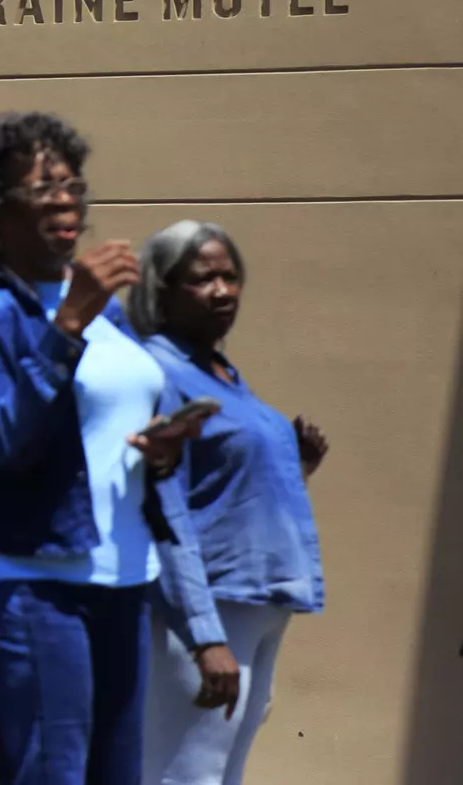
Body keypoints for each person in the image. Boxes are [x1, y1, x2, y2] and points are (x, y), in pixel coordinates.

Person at [0, 113, 213, 785]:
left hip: (122, 571)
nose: (63, 197)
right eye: (40, 186)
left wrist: (162, 448)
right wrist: (68, 321)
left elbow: (112, 430)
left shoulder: (113, 313)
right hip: (23, 573)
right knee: (50, 772)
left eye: (70, 182)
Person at [130, 221, 328, 785]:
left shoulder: (222, 376)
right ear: (159, 290)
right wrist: (203, 634)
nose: (222, 290)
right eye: (202, 278)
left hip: (259, 602)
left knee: (224, 773)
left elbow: (225, 496)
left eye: (230, 276)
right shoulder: (160, 373)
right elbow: (160, 505)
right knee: (184, 774)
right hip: (207, 608)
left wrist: (298, 468)